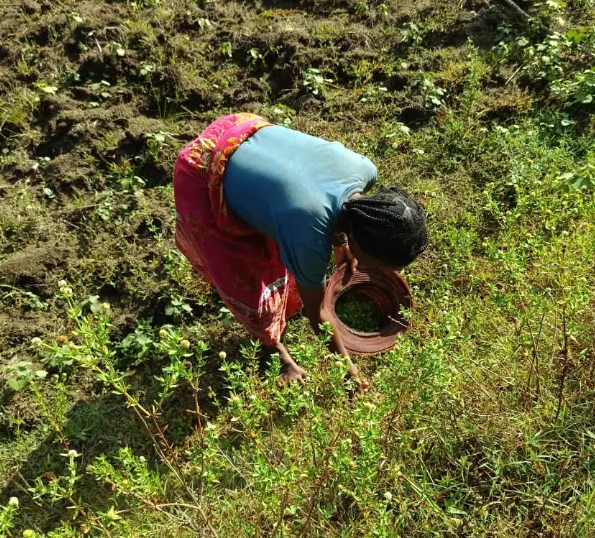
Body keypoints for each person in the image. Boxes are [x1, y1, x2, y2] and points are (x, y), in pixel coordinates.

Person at [174, 113, 428, 385]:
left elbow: (327, 199)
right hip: (205, 169)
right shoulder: (309, 236)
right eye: (374, 265)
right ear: (357, 239)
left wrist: (341, 243)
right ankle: (275, 352)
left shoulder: (364, 169)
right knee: (248, 283)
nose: (369, 271)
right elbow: (317, 313)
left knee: (280, 230)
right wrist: (348, 371)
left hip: (244, 129)